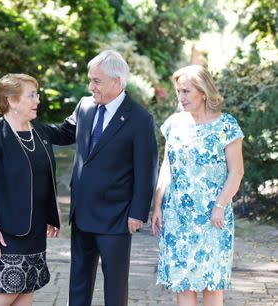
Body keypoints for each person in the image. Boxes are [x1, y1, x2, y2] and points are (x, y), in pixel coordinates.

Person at [55, 50, 158, 306]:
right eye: (90, 80)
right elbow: (62, 133)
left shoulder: (140, 118)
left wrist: (138, 212)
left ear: (117, 81)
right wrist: (24, 123)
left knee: (114, 285)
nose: (91, 86)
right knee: (78, 281)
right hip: (82, 212)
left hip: (117, 216)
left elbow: (147, 169)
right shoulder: (85, 106)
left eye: (97, 81)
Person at [0, 73, 72, 306]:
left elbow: (45, 177)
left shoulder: (41, 133)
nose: (37, 100)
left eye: (37, 94)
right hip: (3, 230)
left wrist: (50, 214)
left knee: (27, 291)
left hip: (35, 229)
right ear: (12, 101)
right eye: (31, 95)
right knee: (5, 293)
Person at [151, 65, 244, 306]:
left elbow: (237, 172)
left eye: (186, 91)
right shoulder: (173, 124)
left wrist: (220, 206)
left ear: (203, 92)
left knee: (212, 284)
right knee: (183, 284)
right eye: (178, 91)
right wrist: (158, 205)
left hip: (214, 218)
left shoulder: (226, 125)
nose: (180, 97)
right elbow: (167, 167)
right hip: (177, 217)